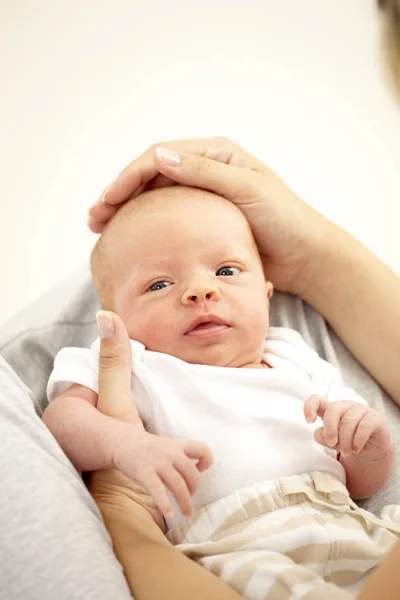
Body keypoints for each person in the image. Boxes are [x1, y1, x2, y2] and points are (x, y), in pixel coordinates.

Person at [1, 136, 400, 600]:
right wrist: (125, 445)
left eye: (226, 272)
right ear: (110, 314)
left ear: (267, 294)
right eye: (160, 283)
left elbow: (365, 482)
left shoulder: (293, 352)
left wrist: (365, 442)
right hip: (234, 548)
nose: (200, 291)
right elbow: (64, 421)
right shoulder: (130, 362)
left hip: (351, 526)